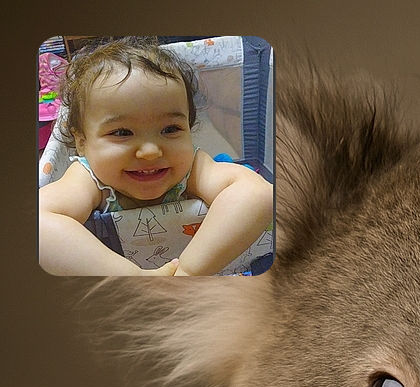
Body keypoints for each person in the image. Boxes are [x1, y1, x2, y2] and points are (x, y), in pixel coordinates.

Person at [39, 38, 272, 276]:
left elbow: (257, 193)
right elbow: (39, 220)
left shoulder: (191, 167)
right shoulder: (89, 178)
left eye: (170, 129)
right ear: (82, 143)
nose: (150, 151)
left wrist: (187, 272)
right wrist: (134, 278)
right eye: (122, 133)